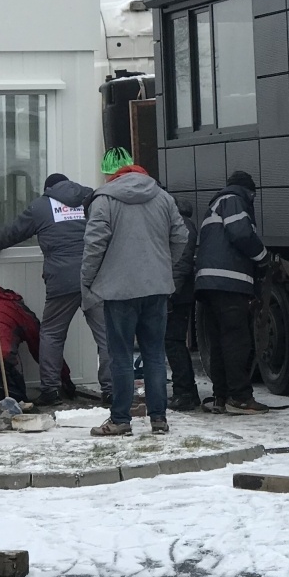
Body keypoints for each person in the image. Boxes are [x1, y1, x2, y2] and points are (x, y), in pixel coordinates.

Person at [80, 148, 189, 437]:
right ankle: (159, 419)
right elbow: (181, 236)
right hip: (156, 289)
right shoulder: (162, 197)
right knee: (155, 355)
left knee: (121, 356)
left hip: (118, 292)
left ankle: (120, 419)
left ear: (110, 174)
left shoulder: (104, 200)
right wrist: (164, 266)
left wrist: (88, 282)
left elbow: (94, 246)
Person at [0, 172, 110, 408]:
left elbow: (13, 231)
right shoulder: (91, 200)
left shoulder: (42, 206)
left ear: (48, 189)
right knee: (106, 337)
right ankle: (112, 390)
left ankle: (50, 390)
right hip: (95, 276)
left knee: (52, 333)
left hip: (62, 280)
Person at [195, 170, 272, 415]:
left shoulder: (215, 205)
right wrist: (263, 257)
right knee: (237, 340)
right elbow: (241, 233)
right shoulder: (234, 200)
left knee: (218, 342)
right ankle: (239, 397)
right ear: (250, 192)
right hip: (229, 283)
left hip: (208, 284)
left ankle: (221, 396)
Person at [164, 193, 200, 411]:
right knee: (173, 341)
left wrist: (170, 293)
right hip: (180, 291)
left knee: (173, 341)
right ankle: (186, 391)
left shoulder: (182, 226)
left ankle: (184, 392)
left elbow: (180, 264)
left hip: (177, 293)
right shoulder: (184, 224)